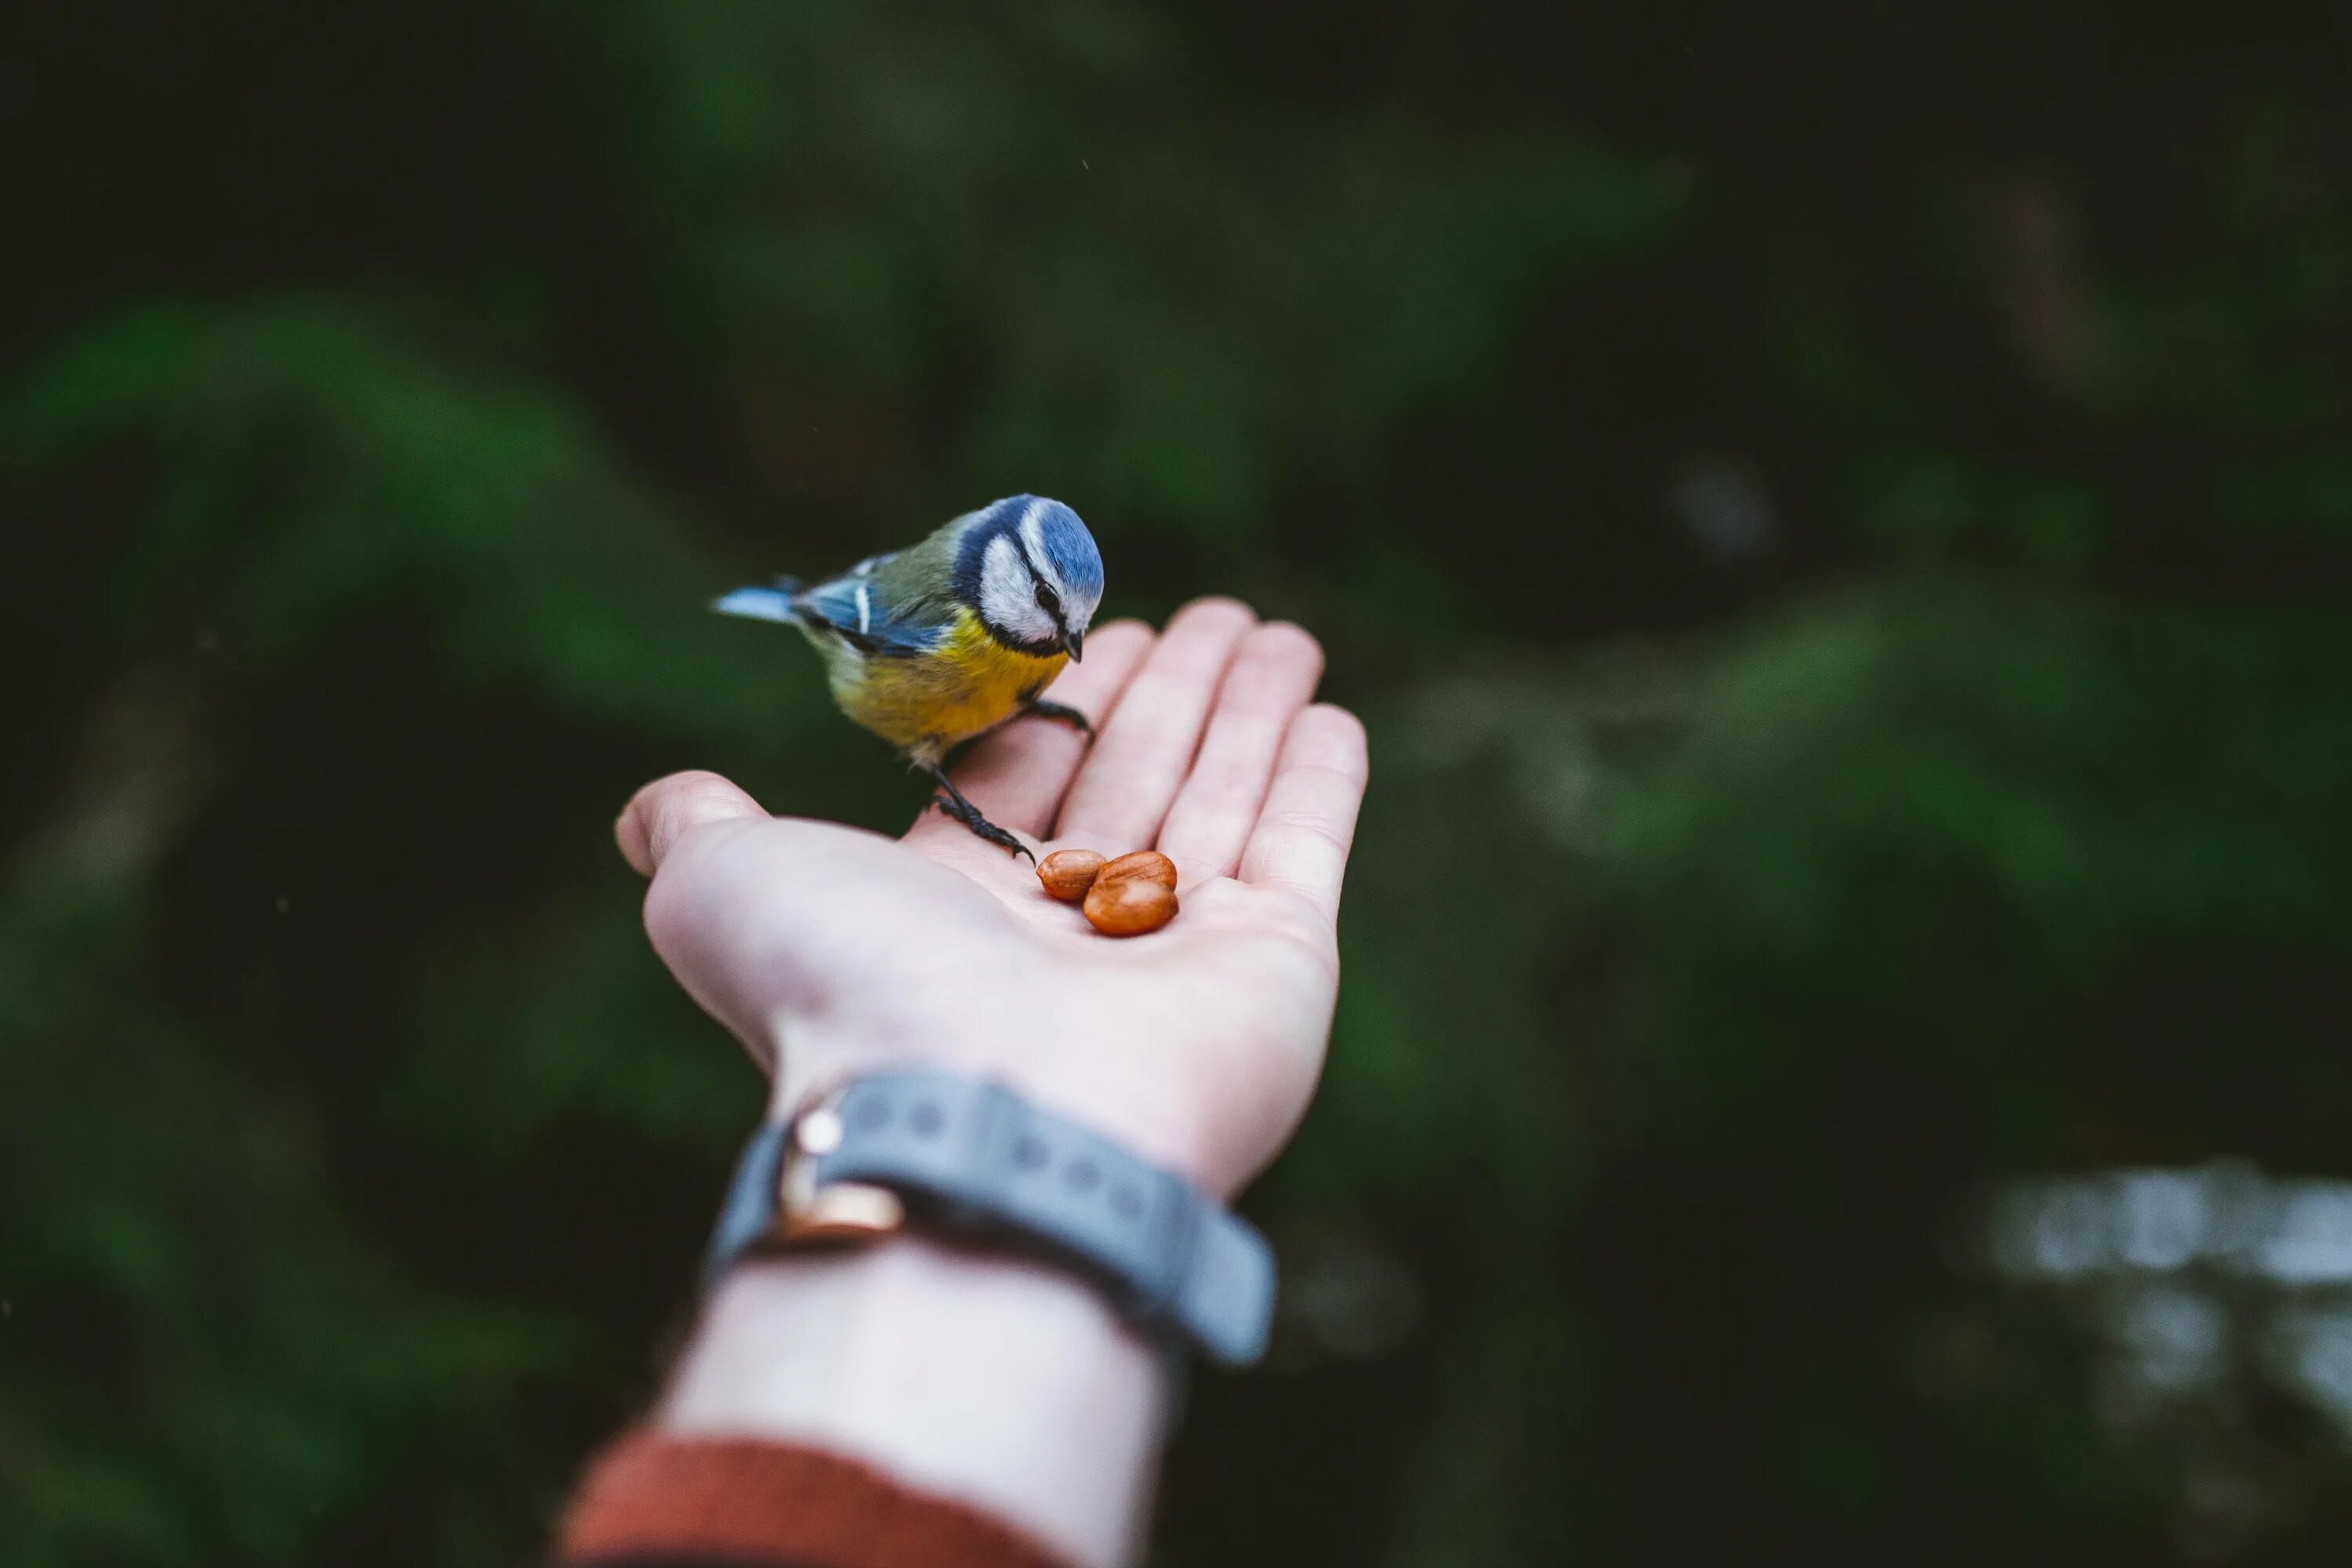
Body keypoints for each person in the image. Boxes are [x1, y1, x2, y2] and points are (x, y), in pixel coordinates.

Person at [555, 599, 1370, 1568]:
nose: (1066, 642)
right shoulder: (939, 612)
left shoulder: (1034, 644)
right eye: (1047, 614)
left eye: (1080, 624)